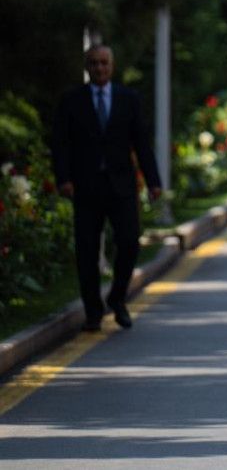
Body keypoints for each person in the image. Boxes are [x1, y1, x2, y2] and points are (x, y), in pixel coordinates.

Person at [51, 45, 161, 332]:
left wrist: (153, 181)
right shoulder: (72, 100)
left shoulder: (128, 99)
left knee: (129, 241)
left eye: (104, 63)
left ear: (112, 66)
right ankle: (93, 311)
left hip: (121, 186)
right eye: (93, 63)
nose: (99, 68)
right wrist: (63, 178)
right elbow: (60, 143)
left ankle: (117, 297)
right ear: (87, 67)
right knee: (87, 250)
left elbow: (141, 142)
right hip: (86, 187)